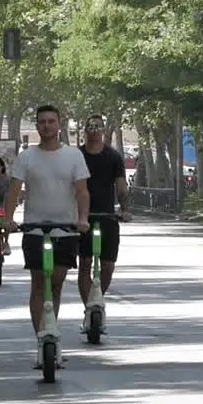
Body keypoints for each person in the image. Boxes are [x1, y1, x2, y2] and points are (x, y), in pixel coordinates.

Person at [4, 105, 89, 367]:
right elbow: (14, 190)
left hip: (65, 228)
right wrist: (8, 220)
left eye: (51, 121)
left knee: (58, 282)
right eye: (42, 122)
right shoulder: (26, 157)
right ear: (37, 126)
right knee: (40, 282)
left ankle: (51, 325)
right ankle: (43, 337)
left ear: (60, 124)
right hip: (35, 228)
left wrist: (82, 219)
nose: (47, 126)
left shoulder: (73, 155)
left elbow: (82, 191)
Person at [77, 114, 132, 332]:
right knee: (85, 264)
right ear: (85, 131)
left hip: (108, 216)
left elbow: (121, 186)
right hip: (83, 218)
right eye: (90, 127)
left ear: (103, 130)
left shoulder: (113, 157)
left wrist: (125, 209)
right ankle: (90, 309)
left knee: (108, 266)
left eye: (98, 127)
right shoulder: (77, 155)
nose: (94, 131)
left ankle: (97, 299)